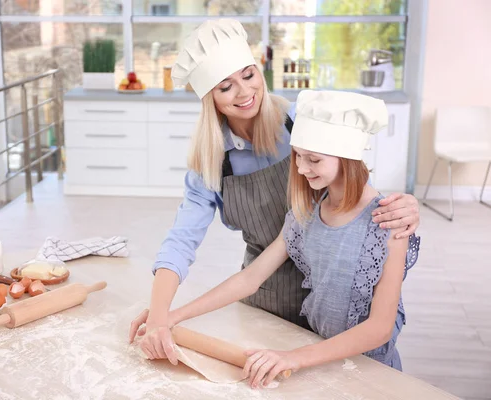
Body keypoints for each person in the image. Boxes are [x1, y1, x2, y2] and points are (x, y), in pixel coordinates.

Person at [128, 18, 421, 366]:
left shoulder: (305, 122)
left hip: (335, 306)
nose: (243, 92)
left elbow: (352, 176)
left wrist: (403, 205)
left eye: (248, 75)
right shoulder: (219, 166)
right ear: (211, 99)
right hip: (268, 297)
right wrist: (163, 314)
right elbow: (185, 243)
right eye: (225, 87)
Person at [163, 90, 420, 388]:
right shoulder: (306, 212)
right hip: (320, 360)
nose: (300, 168)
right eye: (297, 155)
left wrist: (293, 357)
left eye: (313, 159)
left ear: (347, 158)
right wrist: (174, 315)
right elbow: (250, 278)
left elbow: (379, 328)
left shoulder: (388, 222)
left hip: (372, 370)